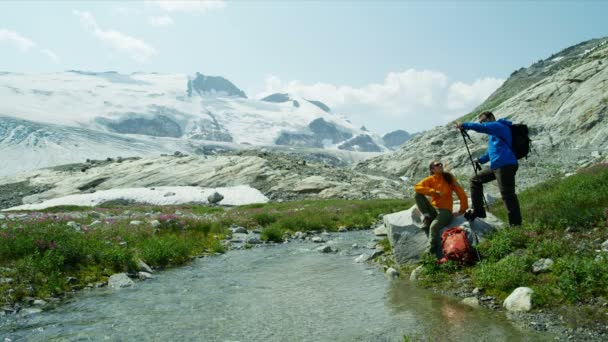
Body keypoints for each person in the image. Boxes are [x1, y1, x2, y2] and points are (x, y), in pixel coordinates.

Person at [455, 111, 522, 226]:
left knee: (507, 195)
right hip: (497, 165)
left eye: (484, 120)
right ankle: (479, 211)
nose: (482, 123)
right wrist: (481, 160)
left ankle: (516, 225)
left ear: (491, 117)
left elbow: (482, 128)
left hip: (505, 165)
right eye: (481, 122)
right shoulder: (493, 133)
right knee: (475, 180)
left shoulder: (498, 126)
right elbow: (493, 151)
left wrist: (465, 125)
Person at [414, 161, 468, 255]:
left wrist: (462, 210)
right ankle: (427, 217)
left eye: (441, 164)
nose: (440, 166)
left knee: (434, 227)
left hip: (445, 210)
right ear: (432, 169)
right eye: (437, 165)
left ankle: (430, 252)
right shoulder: (431, 179)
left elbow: (461, 193)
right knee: (417, 194)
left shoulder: (449, 178)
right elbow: (417, 187)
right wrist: (433, 192)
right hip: (434, 209)